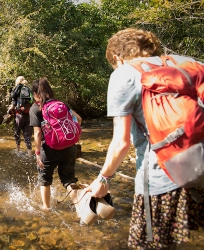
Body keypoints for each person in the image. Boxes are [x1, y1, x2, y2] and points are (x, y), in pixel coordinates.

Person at [85, 28, 204, 249]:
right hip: (200, 164)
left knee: (150, 244)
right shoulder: (187, 62)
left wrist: (104, 180)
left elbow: (121, 143)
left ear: (117, 57)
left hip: (161, 178)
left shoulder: (124, 74)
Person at [29, 77, 82, 211]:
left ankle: (46, 208)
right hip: (70, 148)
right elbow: (79, 120)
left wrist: (37, 154)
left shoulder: (35, 109)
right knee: (69, 180)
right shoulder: (61, 104)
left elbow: (37, 133)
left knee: (45, 179)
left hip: (50, 149)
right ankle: (80, 210)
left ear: (35, 94)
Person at [9, 76, 33, 156]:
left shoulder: (18, 88)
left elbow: (14, 101)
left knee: (17, 132)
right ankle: (29, 154)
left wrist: (10, 110)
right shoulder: (28, 88)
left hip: (19, 114)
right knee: (27, 134)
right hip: (29, 114)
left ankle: (18, 150)